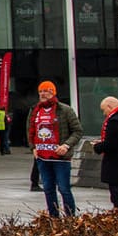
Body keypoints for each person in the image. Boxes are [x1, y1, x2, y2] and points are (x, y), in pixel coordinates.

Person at [27, 82, 81, 217]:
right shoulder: (35, 110)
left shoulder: (65, 110)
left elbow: (77, 131)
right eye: (40, 91)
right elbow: (30, 131)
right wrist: (32, 147)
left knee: (64, 189)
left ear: (53, 92)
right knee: (48, 189)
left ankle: (70, 217)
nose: (43, 94)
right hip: (42, 158)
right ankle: (54, 217)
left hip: (60, 158)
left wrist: (66, 145)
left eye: (46, 91)